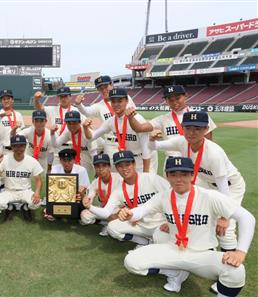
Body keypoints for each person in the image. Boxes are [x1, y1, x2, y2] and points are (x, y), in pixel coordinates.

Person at [119, 157, 255, 296]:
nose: (179, 179)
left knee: (236, 272)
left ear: (192, 175)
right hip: (173, 249)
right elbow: (143, 210)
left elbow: (247, 218)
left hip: (202, 254)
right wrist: (130, 213)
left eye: (184, 174)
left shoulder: (209, 196)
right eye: (173, 174)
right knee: (132, 261)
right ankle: (174, 272)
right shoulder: (163, 196)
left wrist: (240, 252)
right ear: (167, 176)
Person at [149, 111, 246, 253]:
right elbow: (154, 147)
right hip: (207, 182)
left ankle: (229, 269)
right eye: (188, 128)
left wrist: (225, 217)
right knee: (199, 213)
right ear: (182, 127)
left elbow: (223, 188)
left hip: (230, 187)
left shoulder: (214, 153)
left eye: (197, 128)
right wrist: (152, 139)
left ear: (206, 130)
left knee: (226, 228)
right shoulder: (182, 141)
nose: (192, 133)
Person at [83, 151, 169, 248]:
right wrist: (89, 206)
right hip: (138, 223)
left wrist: (170, 221)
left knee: (162, 241)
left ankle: (155, 240)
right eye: (120, 166)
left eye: (127, 164)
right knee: (112, 228)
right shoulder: (118, 190)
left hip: (160, 223)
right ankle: (143, 241)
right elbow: (106, 212)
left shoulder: (151, 178)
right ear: (116, 168)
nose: (124, 169)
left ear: (134, 164)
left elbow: (172, 195)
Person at [125, 85, 216, 168]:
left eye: (177, 98)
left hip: (193, 160)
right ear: (166, 101)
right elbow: (139, 128)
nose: (174, 102)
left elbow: (208, 142)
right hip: (171, 162)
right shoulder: (163, 119)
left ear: (185, 96)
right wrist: (130, 117)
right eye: (170, 100)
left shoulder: (201, 116)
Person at [83, 88, 156, 173]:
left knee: (144, 184)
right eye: (113, 101)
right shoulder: (111, 121)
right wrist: (85, 128)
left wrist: (146, 172)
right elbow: (91, 137)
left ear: (127, 101)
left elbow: (145, 148)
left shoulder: (137, 119)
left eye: (119, 101)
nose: (116, 104)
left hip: (145, 159)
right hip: (128, 160)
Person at [75, 75, 136, 158]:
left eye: (106, 86)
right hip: (111, 144)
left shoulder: (126, 98)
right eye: (100, 88)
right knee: (113, 169)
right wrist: (79, 104)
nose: (104, 90)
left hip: (128, 141)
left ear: (111, 85)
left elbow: (133, 115)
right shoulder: (99, 106)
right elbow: (86, 111)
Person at [0, 135, 43, 222]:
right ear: (11, 146)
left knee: (37, 203)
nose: (18, 148)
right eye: (15, 146)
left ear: (25, 146)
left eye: (21, 145)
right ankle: (10, 207)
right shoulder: (5, 159)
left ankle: (25, 207)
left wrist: (37, 193)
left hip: (25, 191)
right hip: (9, 191)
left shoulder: (32, 160)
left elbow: (38, 180)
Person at [79, 154, 122, 236]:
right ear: (95, 168)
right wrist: (83, 196)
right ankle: (105, 222)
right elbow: (89, 199)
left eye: (104, 166)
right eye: (97, 166)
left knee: (117, 215)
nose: (101, 169)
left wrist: (117, 213)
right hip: (104, 209)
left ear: (109, 167)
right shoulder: (95, 182)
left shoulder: (119, 178)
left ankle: (110, 223)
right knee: (85, 216)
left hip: (118, 209)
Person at [44, 148, 90, 221]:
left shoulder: (81, 170)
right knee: (50, 214)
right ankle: (57, 213)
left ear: (74, 160)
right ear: (60, 161)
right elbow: (52, 189)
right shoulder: (55, 169)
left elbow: (86, 189)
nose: (66, 163)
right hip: (60, 197)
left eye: (69, 160)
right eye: (64, 160)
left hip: (76, 198)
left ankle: (74, 214)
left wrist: (82, 191)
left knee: (82, 206)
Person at [11, 110, 54, 174]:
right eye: (36, 121)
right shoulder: (29, 130)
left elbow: (51, 153)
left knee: (43, 180)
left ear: (45, 121)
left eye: (41, 121)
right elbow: (14, 137)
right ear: (33, 122)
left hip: (43, 160)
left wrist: (49, 167)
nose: (39, 123)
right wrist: (14, 128)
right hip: (29, 157)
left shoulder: (49, 135)